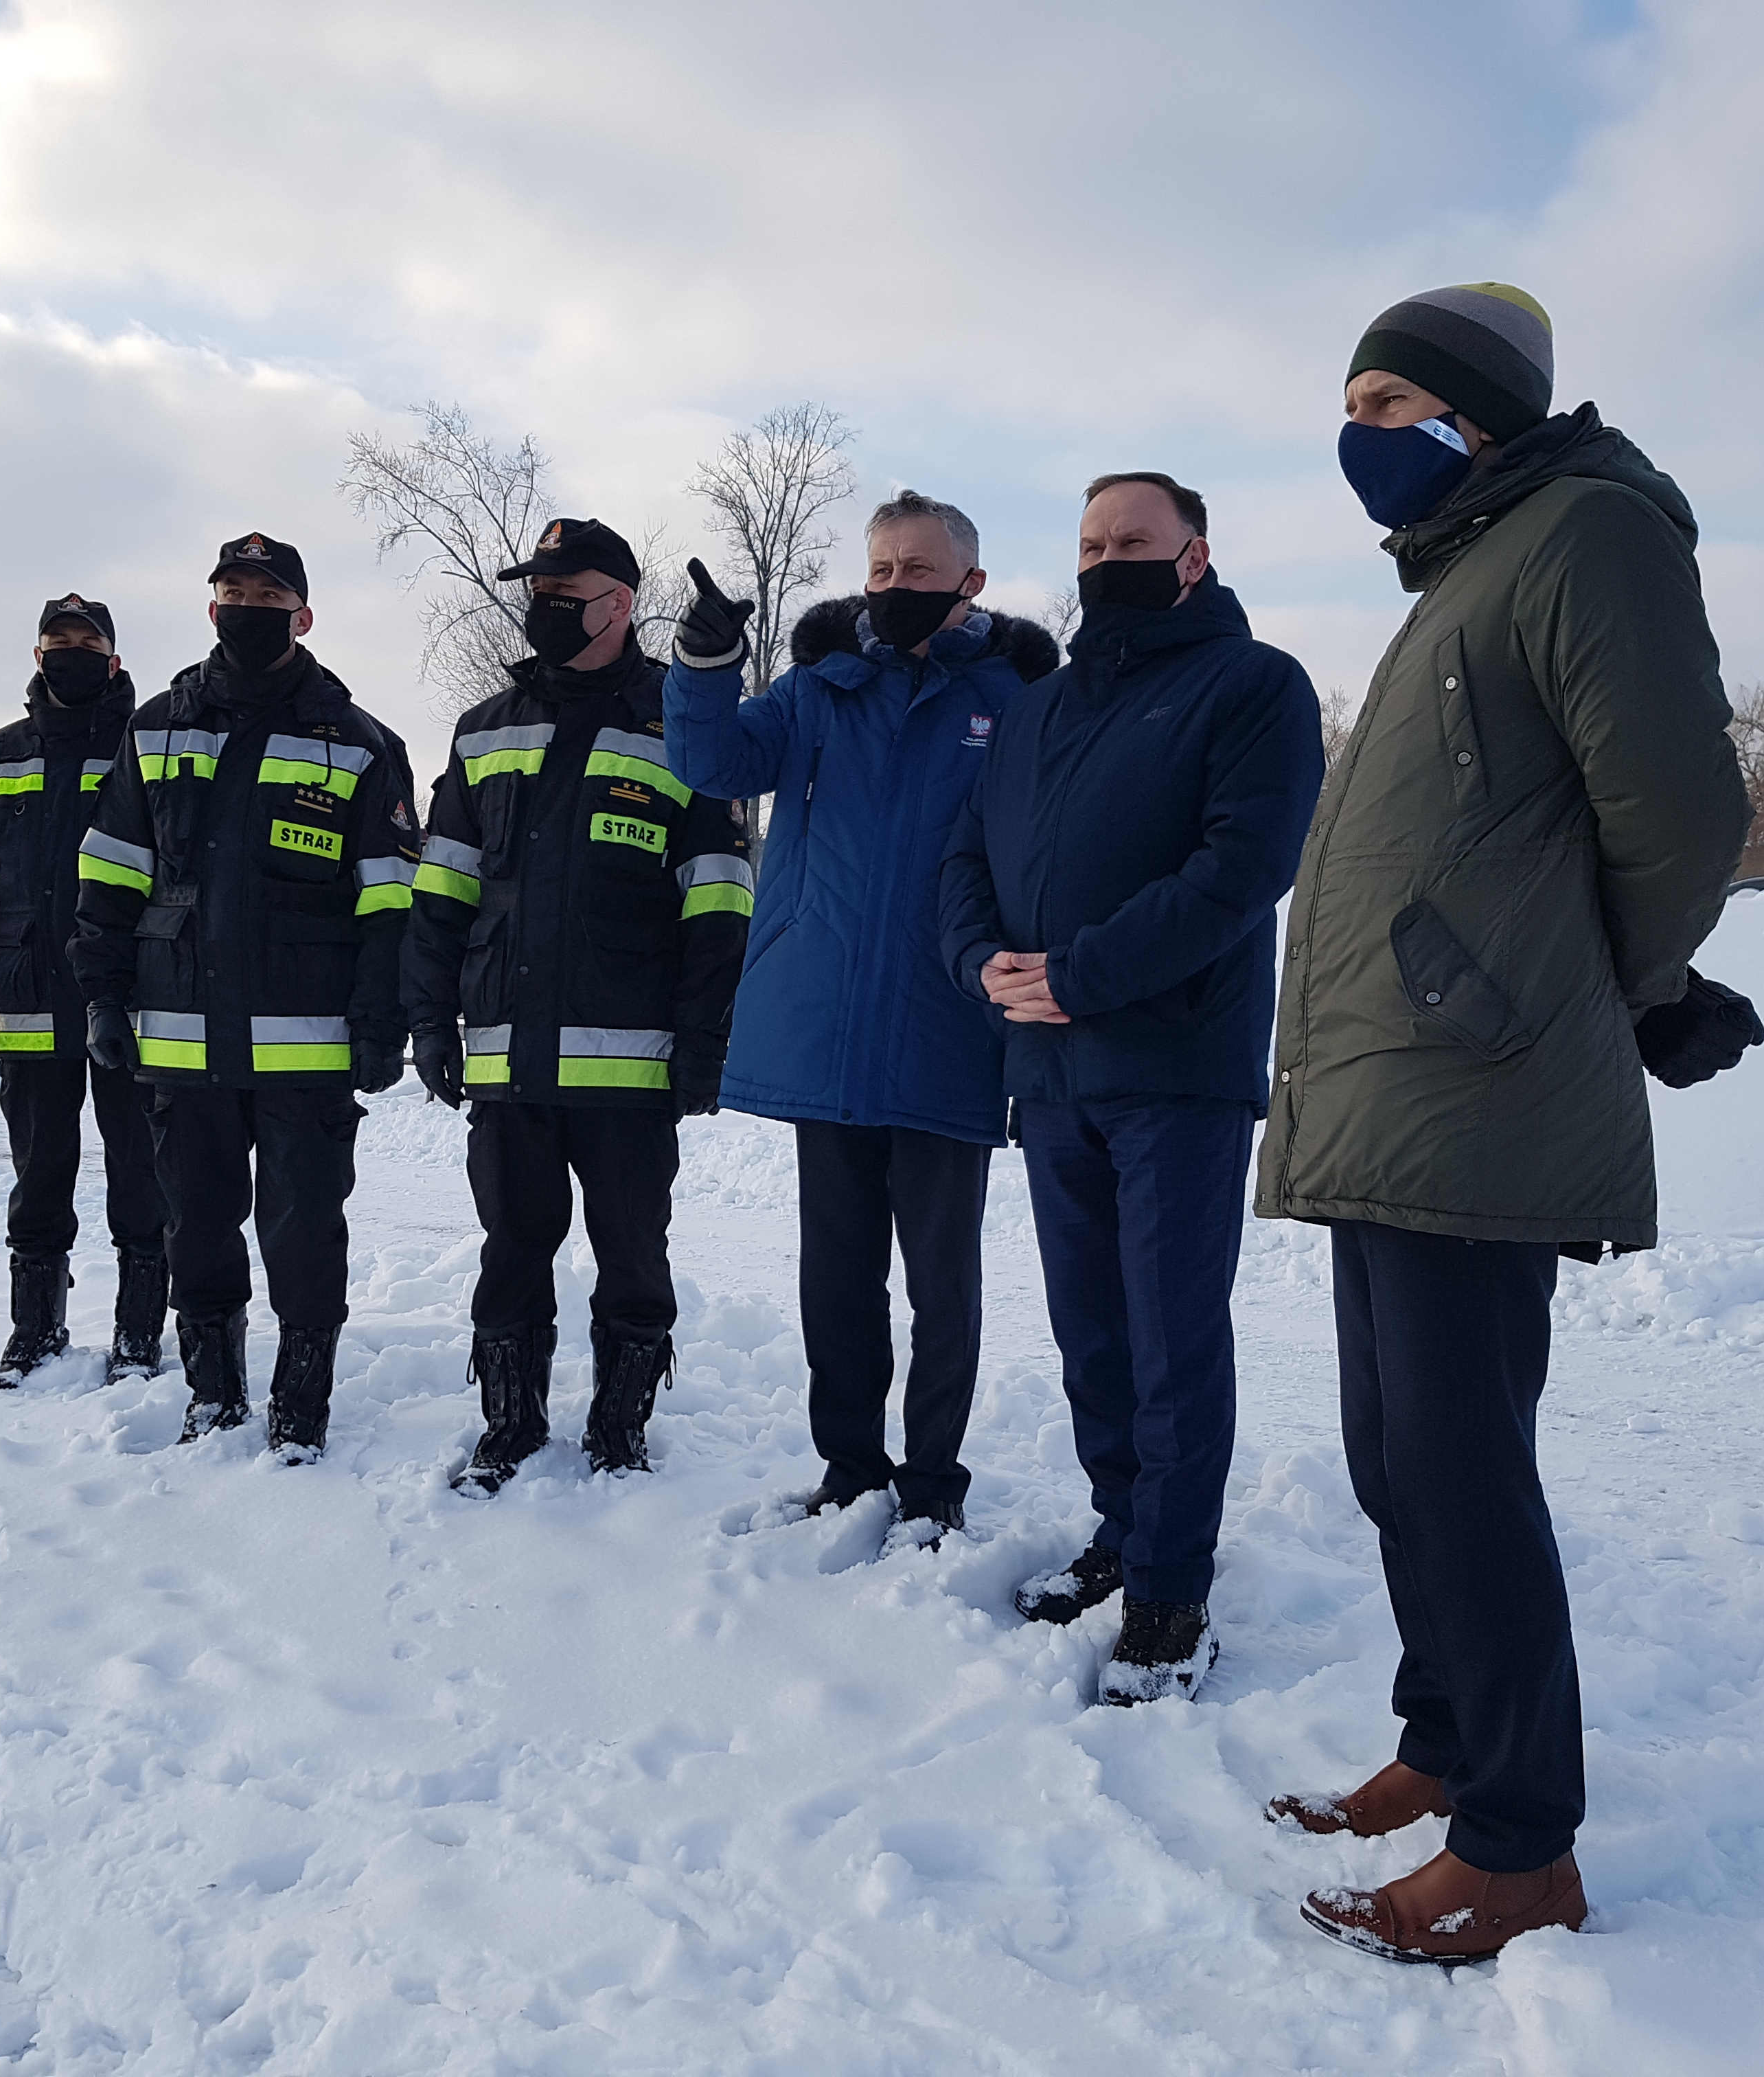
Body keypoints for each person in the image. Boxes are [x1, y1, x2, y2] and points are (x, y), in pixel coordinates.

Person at [1257, 284, 1754, 1962]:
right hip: (1393, 1085)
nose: (1361, 435)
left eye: (1390, 401)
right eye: (1352, 403)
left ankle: (1521, 1846)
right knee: (1396, 1455)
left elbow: (1676, 809)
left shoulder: (1587, 534)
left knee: (1463, 1472)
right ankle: (1452, 1738)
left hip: (1477, 1079)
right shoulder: (1466, 566)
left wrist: (1632, 985)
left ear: (1480, 411)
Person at [939, 473, 1322, 1703]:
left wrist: (1085, 973)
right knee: (1092, 1335)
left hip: (1174, 1069)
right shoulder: (1036, 712)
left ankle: (1170, 1588)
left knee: (1170, 1336)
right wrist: (979, 962)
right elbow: (967, 854)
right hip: (1051, 1071)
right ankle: (1123, 1529)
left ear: (1193, 555)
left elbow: (1243, 866)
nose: (1109, 559)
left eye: (1136, 540)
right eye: (1094, 542)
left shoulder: (1253, 685)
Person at [666, 492, 1058, 1550]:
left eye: (918, 572)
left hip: (951, 1026)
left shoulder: (1016, 700)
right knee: (836, 1278)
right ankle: (850, 1469)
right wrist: (705, 664)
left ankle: (932, 1483)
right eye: (882, 570)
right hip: (827, 1025)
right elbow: (711, 765)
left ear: (970, 583)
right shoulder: (818, 690)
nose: (895, 588)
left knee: (943, 1286)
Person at [403, 519, 753, 1492]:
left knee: (633, 1256)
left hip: (634, 1065)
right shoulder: (484, 727)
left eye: (567, 594)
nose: (546, 608)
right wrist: (428, 1019)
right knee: (512, 1251)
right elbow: (442, 892)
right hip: (507, 1057)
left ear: (621, 603)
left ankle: (619, 1430)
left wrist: (705, 1039)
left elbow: (719, 901)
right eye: (539, 594)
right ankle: (509, 1425)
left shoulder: (678, 727)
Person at [70, 534, 419, 1459]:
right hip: (183, 1041)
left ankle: (300, 1409)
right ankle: (213, 1395)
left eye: (268, 596)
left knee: (305, 1236)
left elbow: (392, 902)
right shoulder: (154, 729)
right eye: (234, 591)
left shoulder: (359, 743)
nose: (247, 607)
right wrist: (102, 998)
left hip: (310, 1048)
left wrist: (383, 1022)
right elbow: (111, 878)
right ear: (211, 606)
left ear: (302, 617)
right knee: (195, 1233)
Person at [0, 595, 168, 1389]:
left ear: (114, 659)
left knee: (144, 1175)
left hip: (135, 1003)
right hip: (31, 1002)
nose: (72, 652)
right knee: (38, 1178)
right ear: (38, 656)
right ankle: (34, 1333)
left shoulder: (151, 751)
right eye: (58, 640)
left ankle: (139, 1335)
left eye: (87, 641)